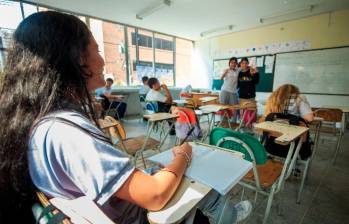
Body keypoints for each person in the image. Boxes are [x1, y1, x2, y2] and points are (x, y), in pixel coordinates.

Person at [0, 11, 252, 223]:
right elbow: (155, 195)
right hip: (139, 215)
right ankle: (227, 216)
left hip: (114, 206)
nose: (102, 60)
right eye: (97, 49)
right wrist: (184, 154)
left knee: (159, 167)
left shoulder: (39, 123)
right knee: (202, 178)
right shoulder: (66, 132)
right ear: (77, 57)